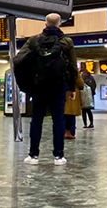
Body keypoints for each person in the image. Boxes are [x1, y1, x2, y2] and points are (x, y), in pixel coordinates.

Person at [19, 13, 77, 166]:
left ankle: (33, 155)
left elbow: (19, 60)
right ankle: (58, 157)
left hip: (39, 87)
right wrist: (72, 88)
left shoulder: (33, 40)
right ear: (60, 24)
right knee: (58, 120)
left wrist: (27, 83)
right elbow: (72, 67)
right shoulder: (66, 42)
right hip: (58, 86)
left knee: (36, 120)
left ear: (45, 24)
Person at [64, 73, 84, 139]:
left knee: (61, 116)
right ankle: (68, 132)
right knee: (70, 115)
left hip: (61, 94)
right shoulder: (74, 71)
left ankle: (60, 132)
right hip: (71, 96)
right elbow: (80, 84)